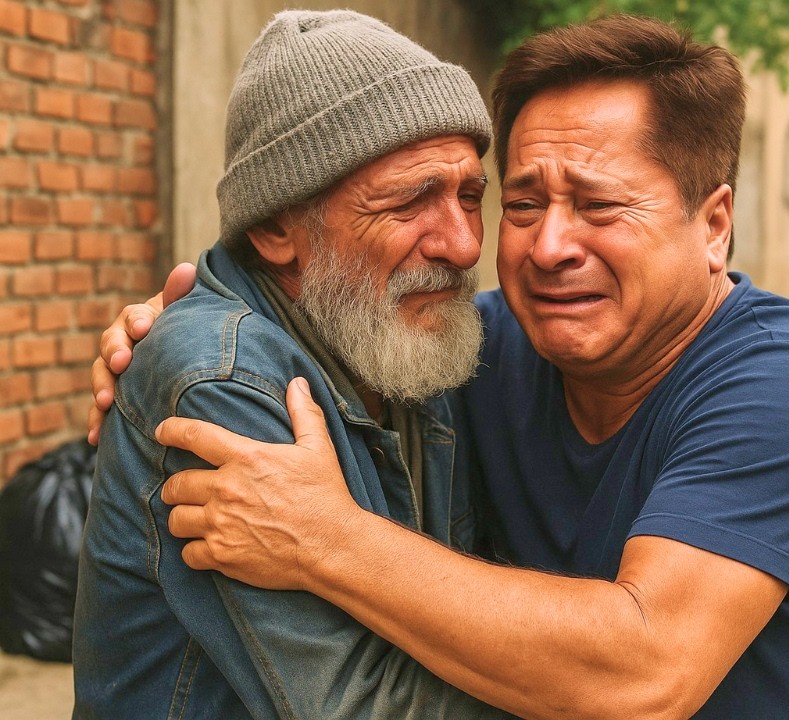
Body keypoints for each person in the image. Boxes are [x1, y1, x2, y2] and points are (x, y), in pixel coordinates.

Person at [93, 15, 789, 719]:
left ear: (714, 227)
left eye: (599, 204)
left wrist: (332, 541)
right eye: (523, 205)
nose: (545, 246)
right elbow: (266, 342)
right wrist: (179, 337)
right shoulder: (472, 355)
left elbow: (647, 670)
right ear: (278, 228)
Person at [73, 10, 508, 718]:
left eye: (470, 195)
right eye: (411, 201)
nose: (461, 245)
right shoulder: (223, 382)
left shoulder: (408, 342)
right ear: (277, 228)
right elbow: (358, 705)